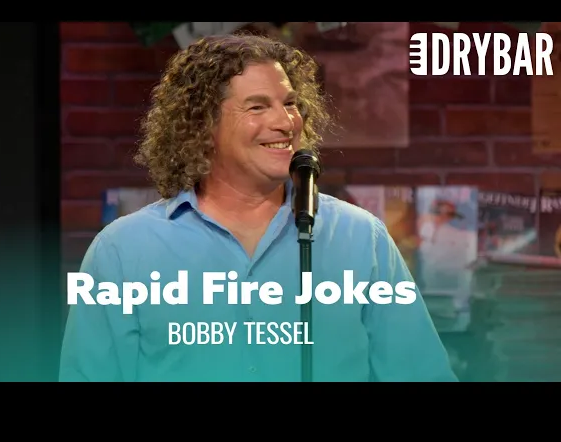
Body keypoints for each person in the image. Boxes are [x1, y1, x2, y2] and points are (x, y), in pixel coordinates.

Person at [59, 33, 456, 382]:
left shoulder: (360, 238)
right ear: (203, 126)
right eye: (257, 106)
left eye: (290, 103)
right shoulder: (122, 252)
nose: (286, 122)